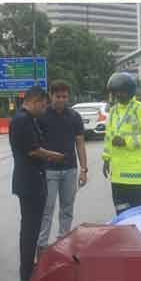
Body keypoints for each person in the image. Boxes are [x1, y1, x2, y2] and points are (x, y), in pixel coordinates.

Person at [9, 86, 64, 281]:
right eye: (42, 104)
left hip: (32, 180)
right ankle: (26, 270)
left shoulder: (27, 119)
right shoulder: (22, 120)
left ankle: (28, 265)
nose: (44, 109)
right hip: (29, 182)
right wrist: (53, 156)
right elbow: (32, 150)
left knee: (31, 227)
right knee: (30, 228)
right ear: (33, 101)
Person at [37, 81, 87, 257]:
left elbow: (80, 143)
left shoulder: (74, 116)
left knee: (67, 208)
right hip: (48, 170)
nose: (61, 100)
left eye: (64, 97)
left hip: (70, 170)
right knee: (47, 209)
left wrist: (84, 169)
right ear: (51, 96)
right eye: (58, 96)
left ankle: (63, 242)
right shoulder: (42, 116)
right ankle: (42, 246)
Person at [102, 72, 141, 214]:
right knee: (122, 214)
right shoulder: (113, 112)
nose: (118, 95)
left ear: (130, 91)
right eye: (115, 92)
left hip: (135, 175)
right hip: (117, 176)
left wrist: (126, 141)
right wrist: (106, 159)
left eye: (121, 91)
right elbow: (108, 137)